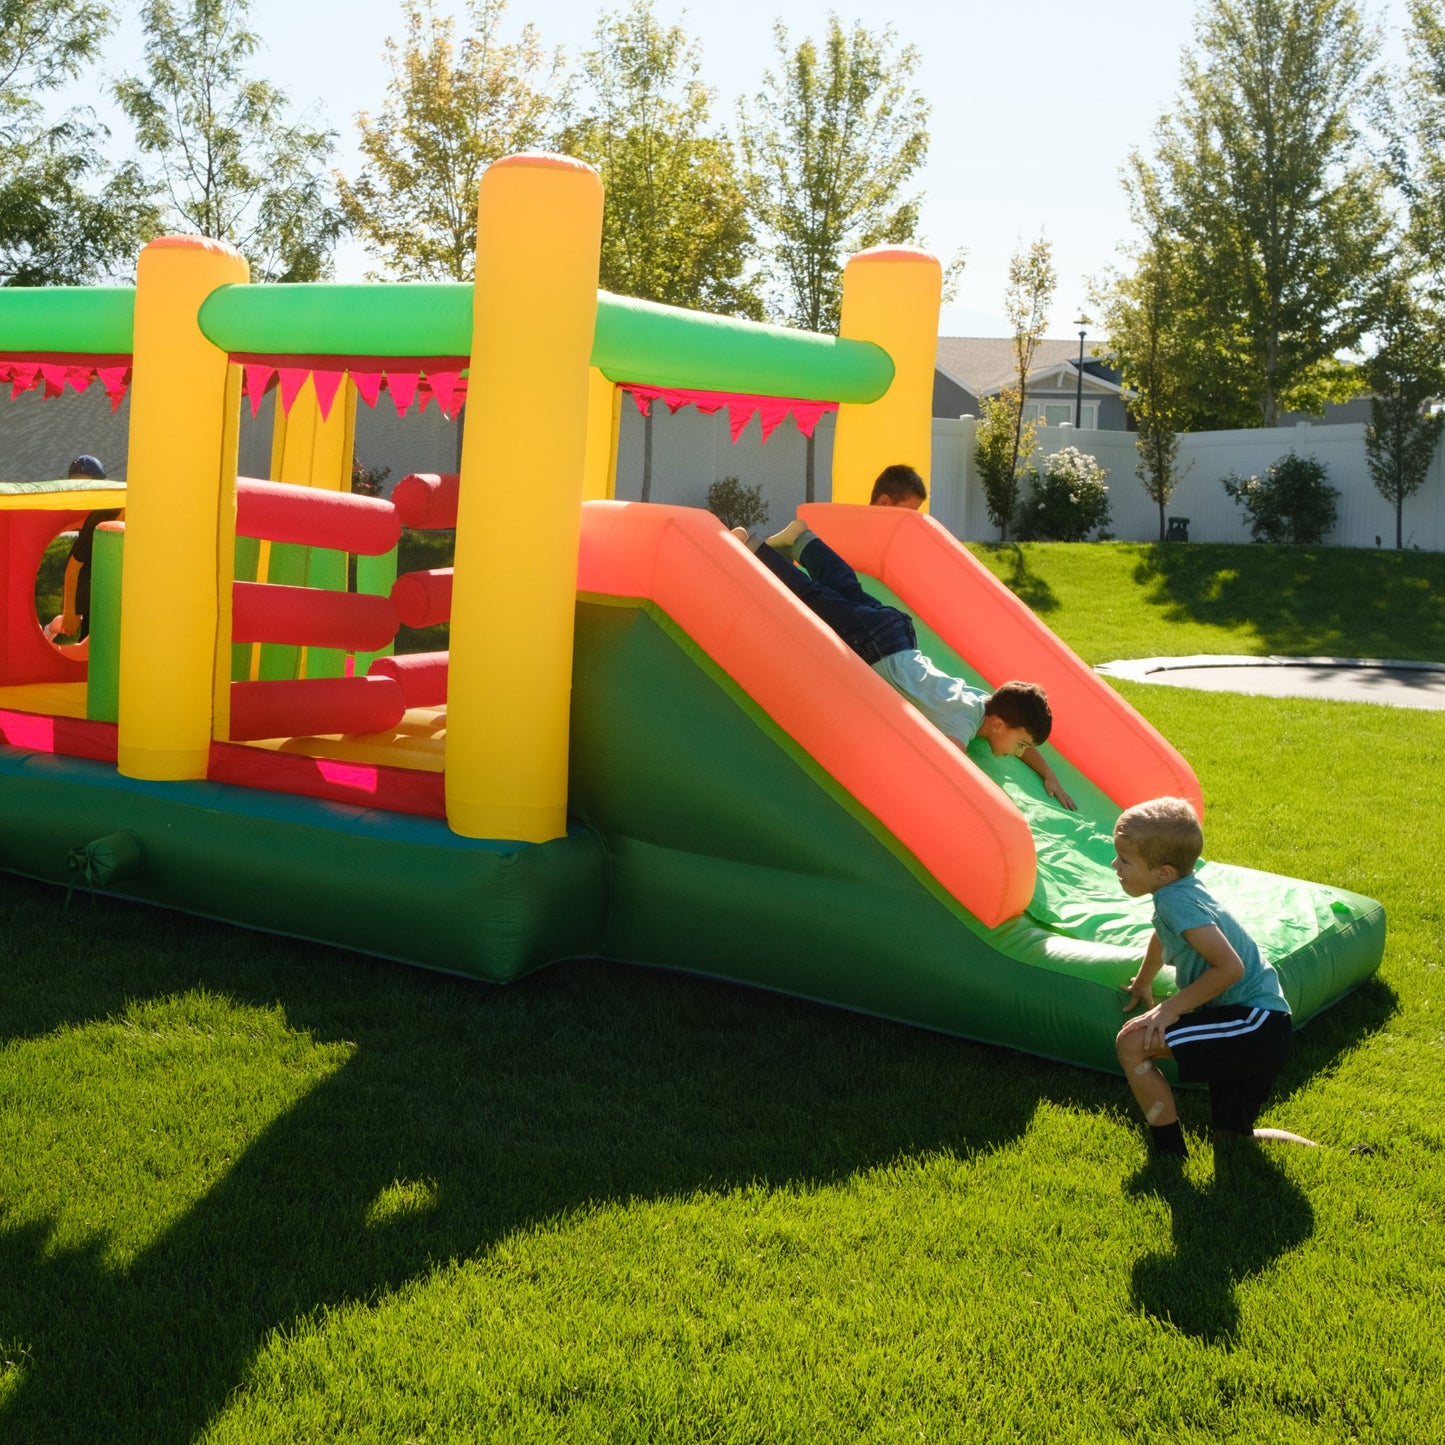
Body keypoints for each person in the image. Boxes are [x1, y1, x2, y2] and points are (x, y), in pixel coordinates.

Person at [735, 516, 1076, 808]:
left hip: (897, 634)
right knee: (814, 600)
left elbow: (1021, 739)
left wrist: (1048, 773)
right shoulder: (964, 721)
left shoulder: (982, 701)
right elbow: (954, 767)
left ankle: (803, 539)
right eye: (1020, 744)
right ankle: (751, 547)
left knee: (845, 588)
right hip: (876, 648)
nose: (1018, 751)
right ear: (999, 725)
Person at [1113, 797, 1316, 1159]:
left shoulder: (1176, 900)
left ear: (1164, 872)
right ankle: (1323, 1152)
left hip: (1253, 1022)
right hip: (1262, 1025)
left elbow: (1231, 967)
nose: (1116, 865)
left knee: (1131, 1043)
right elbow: (1164, 935)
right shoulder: (1176, 893)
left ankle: (1169, 1155)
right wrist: (1144, 980)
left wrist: (1167, 1010)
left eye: (1125, 860)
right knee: (1233, 1139)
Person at [59, 455, 122, 641]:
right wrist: (70, 611)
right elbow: (73, 567)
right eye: (76, 488)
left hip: (107, 584)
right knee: (93, 638)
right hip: (92, 589)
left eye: (87, 487)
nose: (83, 493)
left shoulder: (115, 508)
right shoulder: (98, 518)